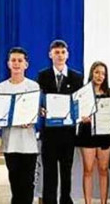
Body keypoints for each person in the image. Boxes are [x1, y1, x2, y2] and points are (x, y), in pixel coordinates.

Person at [37, 40, 83, 204]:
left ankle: (65, 200)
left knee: (66, 171)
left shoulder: (77, 77)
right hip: (49, 133)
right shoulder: (43, 76)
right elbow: (39, 101)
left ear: (67, 55)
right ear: (50, 55)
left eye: (63, 52)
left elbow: (79, 102)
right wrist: (40, 109)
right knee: (49, 172)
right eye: (56, 52)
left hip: (68, 134)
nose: (60, 55)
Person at [0, 47, 39, 204]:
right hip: (10, 144)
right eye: (13, 60)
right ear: (8, 63)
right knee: (15, 183)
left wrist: (31, 118)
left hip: (28, 144)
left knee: (28, 184)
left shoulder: (33, 86)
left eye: (20, 61)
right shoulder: (1, 88)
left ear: (26, 65)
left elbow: (36, 112)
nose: (16, 64)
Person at [75, 61, 110, 204]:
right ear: (92, 73)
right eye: (97, 72)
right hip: (87, 133)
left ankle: (104, 202)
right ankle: (88, 202)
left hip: (105, 135)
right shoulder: (83, 93)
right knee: (88, 170)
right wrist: (82, 117)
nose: (100, 76)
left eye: (103, 73)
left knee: (104, 170)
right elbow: (77, 113)